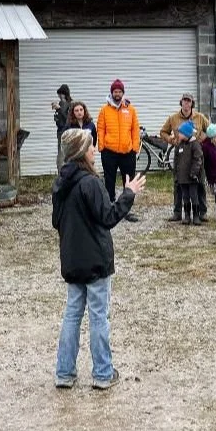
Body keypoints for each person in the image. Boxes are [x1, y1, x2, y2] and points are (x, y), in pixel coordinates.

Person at [52, 129, 146, 391]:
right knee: (98, 317)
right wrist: (128, 193)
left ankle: (64, 373)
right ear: (82, 152)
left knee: (72, 315)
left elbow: (55, 221)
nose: (95, 150)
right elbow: (108, 216)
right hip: (95, 261)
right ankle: (103, 374)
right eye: (91, 146)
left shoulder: (60, 183)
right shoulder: (90, 183)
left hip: (72, 260)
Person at [158, 92, 210, 222]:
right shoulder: (173, 118)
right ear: (181, 102)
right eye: (184, 101)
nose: (186, 103)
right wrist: (172, 140)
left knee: (199, 183)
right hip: (180, 154)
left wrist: (202, 139)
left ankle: (202, 213)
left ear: (192, 103)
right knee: (178, 183)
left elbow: (210, 129)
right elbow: (163, 132)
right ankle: (177, 213)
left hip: (196, 155)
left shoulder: (200, 117)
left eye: (189, 101)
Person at [96, 79, 141, 222]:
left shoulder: (130, 109)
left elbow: (135, 129)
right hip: (109, 152)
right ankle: (110, 206)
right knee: (109, 180)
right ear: (112, 93)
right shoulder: (104, 110)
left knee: (128, 180)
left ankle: (127, 210)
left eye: (120, 91)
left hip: (128, 152)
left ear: (123, 93)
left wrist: (134, 147)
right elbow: (100, 128)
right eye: (115, 91)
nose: (117, 94)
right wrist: (101, 146)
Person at [171, 121, 204, 226]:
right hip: (182, 177)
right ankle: (187, 216)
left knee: (194, 196)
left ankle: (196, 216)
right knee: (185, 197)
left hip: (192, 177)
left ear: (186, 134)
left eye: (180, 133)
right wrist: (176, 174)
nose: (178, 135)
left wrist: (194, 173)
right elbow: (176, 160)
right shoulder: (179, 145)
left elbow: (198, 159)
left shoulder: (195, 145)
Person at [52, 84, 73, 168]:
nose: (59, 96)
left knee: (66, 155)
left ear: (65, 94)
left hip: (67, 132)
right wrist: (56, 113)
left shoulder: (70, 104)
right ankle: (61, 174)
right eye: (59, 94)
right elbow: (59, 118)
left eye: (61, 94)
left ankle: (66, 174)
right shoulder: (60, 103)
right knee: (60, 155)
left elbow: (68, 119)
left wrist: (59, 109)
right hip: (60, 132)